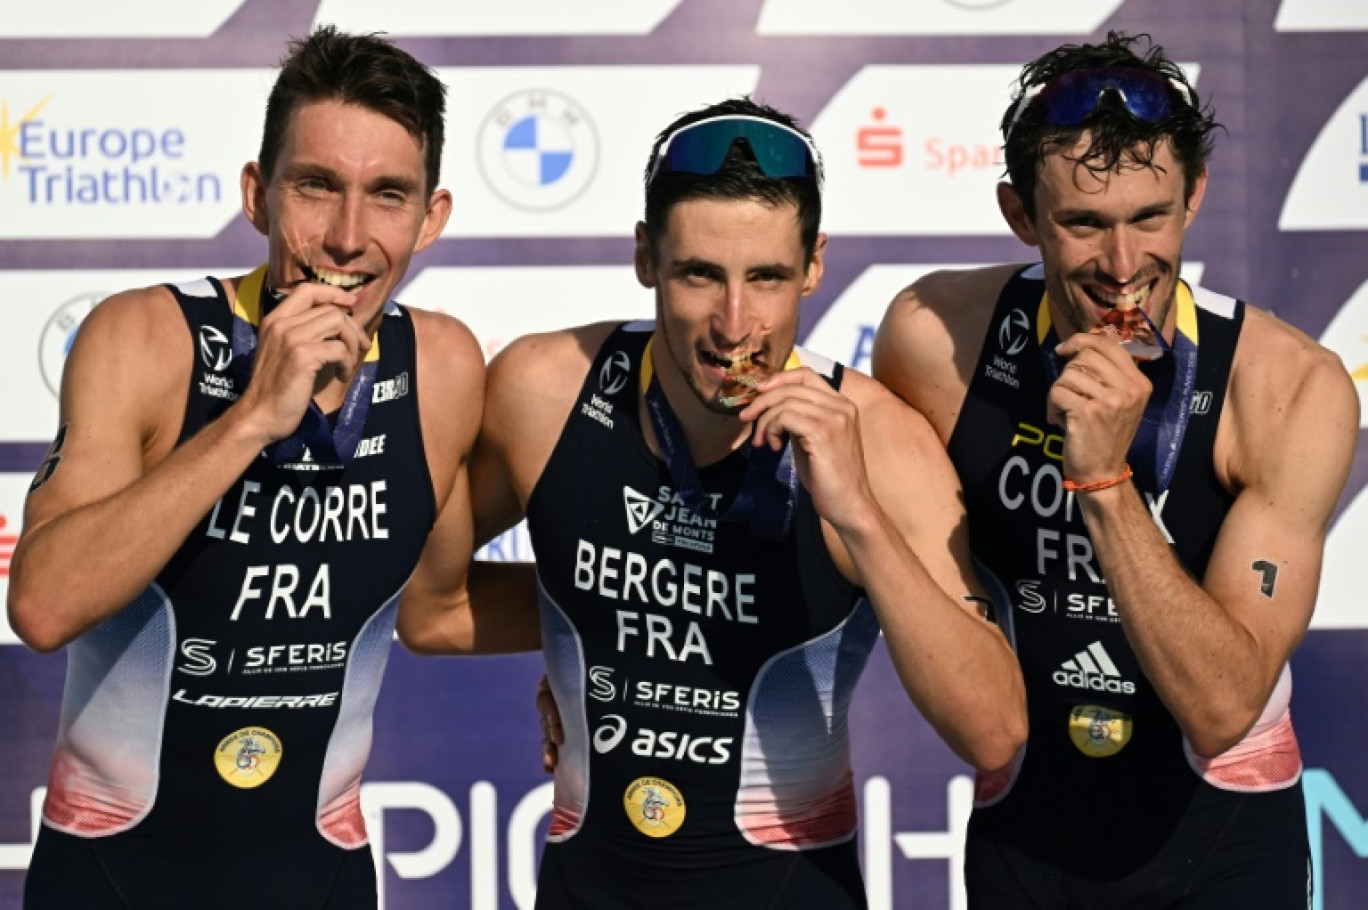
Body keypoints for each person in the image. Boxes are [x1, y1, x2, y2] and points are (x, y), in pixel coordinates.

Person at [438, 96, 1026, 909]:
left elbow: (994, 731)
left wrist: (856, 511)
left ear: (815, 265)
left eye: (768, 277)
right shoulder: (547, 391)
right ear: (647, 256)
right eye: (699, 274)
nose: (734, 324)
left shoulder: (882, 443)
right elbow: (430, 612)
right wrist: (585, 627)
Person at [873, 31, 1358, 908]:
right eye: (1085, 224)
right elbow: (870, 557)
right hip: (1026, 832)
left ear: (1195, 197)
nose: (1125, 266)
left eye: (1150, 218)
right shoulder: (936, 338)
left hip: (1224, 843)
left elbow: (1223, 708)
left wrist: (1102, 483)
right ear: (1021, 215)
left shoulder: (1288, 387)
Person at [7, 26, 487, 909]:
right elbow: (41, 605)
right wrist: (250, 421)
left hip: (321, 881)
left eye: (387, 195)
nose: (347, 237)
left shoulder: (447, 368)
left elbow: (442, 607)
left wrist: (591, 668)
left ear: (431, 218)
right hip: (115, 881)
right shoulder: (146, 338)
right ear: (258, 195)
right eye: (316, 186)